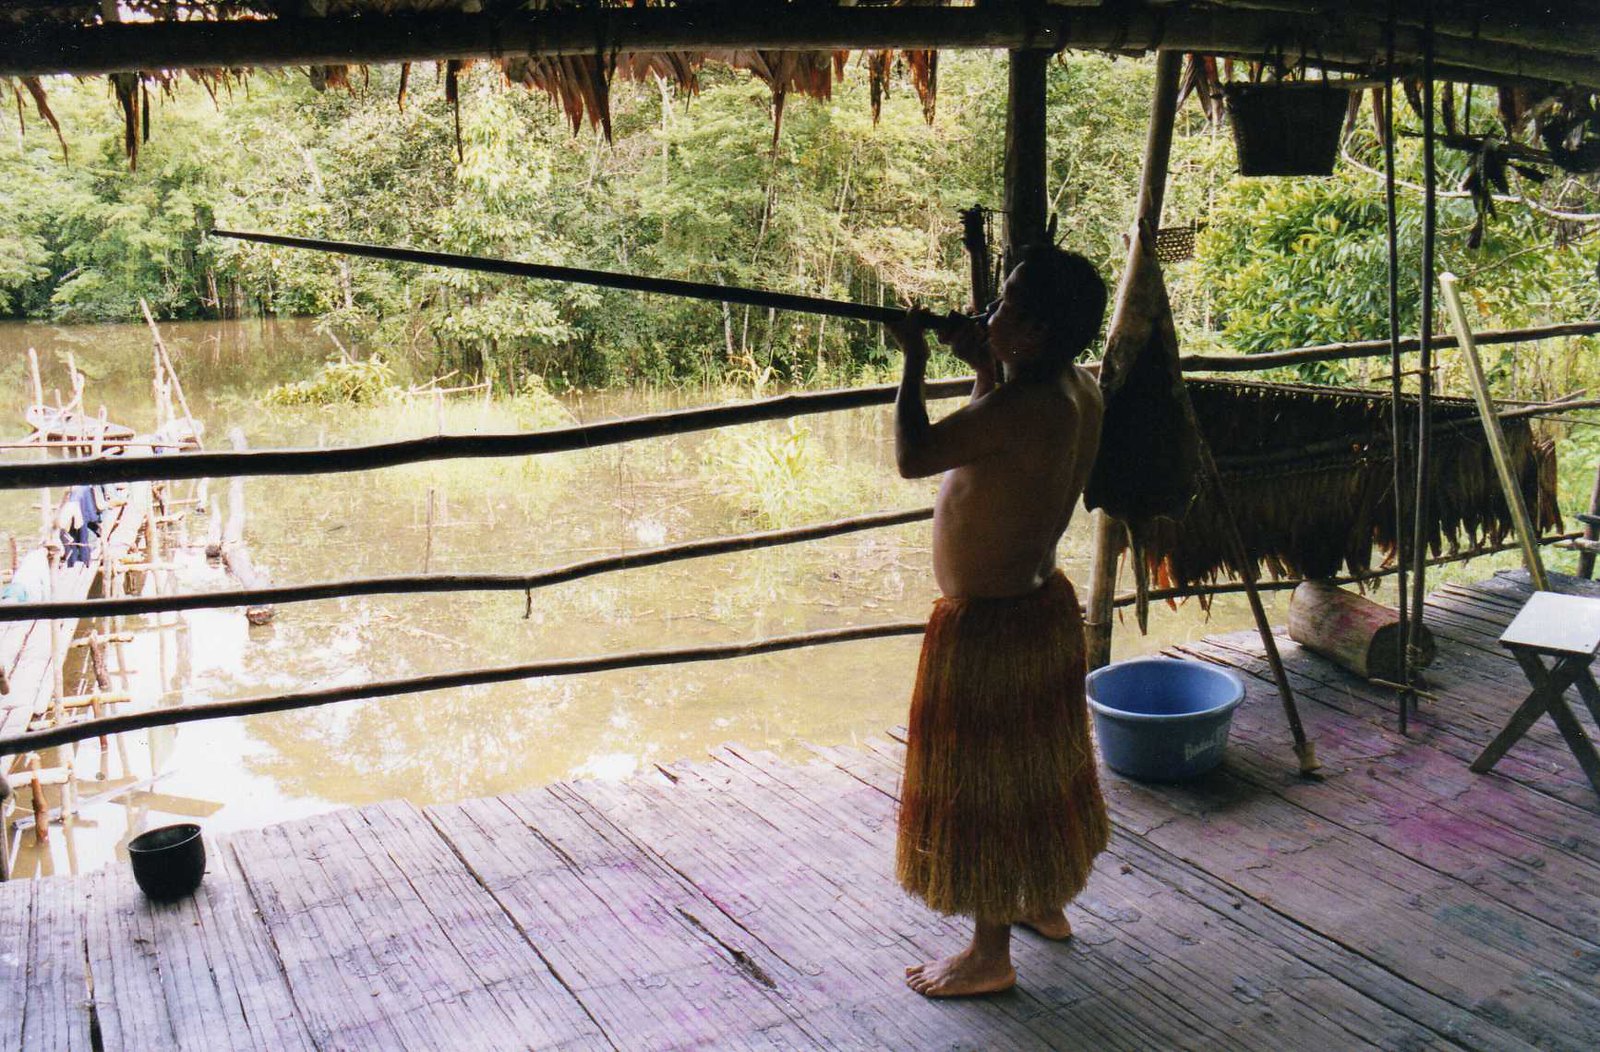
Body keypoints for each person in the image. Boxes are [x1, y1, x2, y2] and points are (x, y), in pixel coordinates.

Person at [887, 243, 1111, 998]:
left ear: (1040, 331)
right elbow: (1000, 446)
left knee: (985, 786)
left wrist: (913, 362)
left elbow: (917, 455)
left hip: (992, 627)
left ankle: (989, 955)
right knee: (1036, 770)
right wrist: (986, 362)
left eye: (1008, 306)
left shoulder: (1025, 406)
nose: (992, 313)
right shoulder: (1076, 390)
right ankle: (1041, 901)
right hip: (1040, 610)